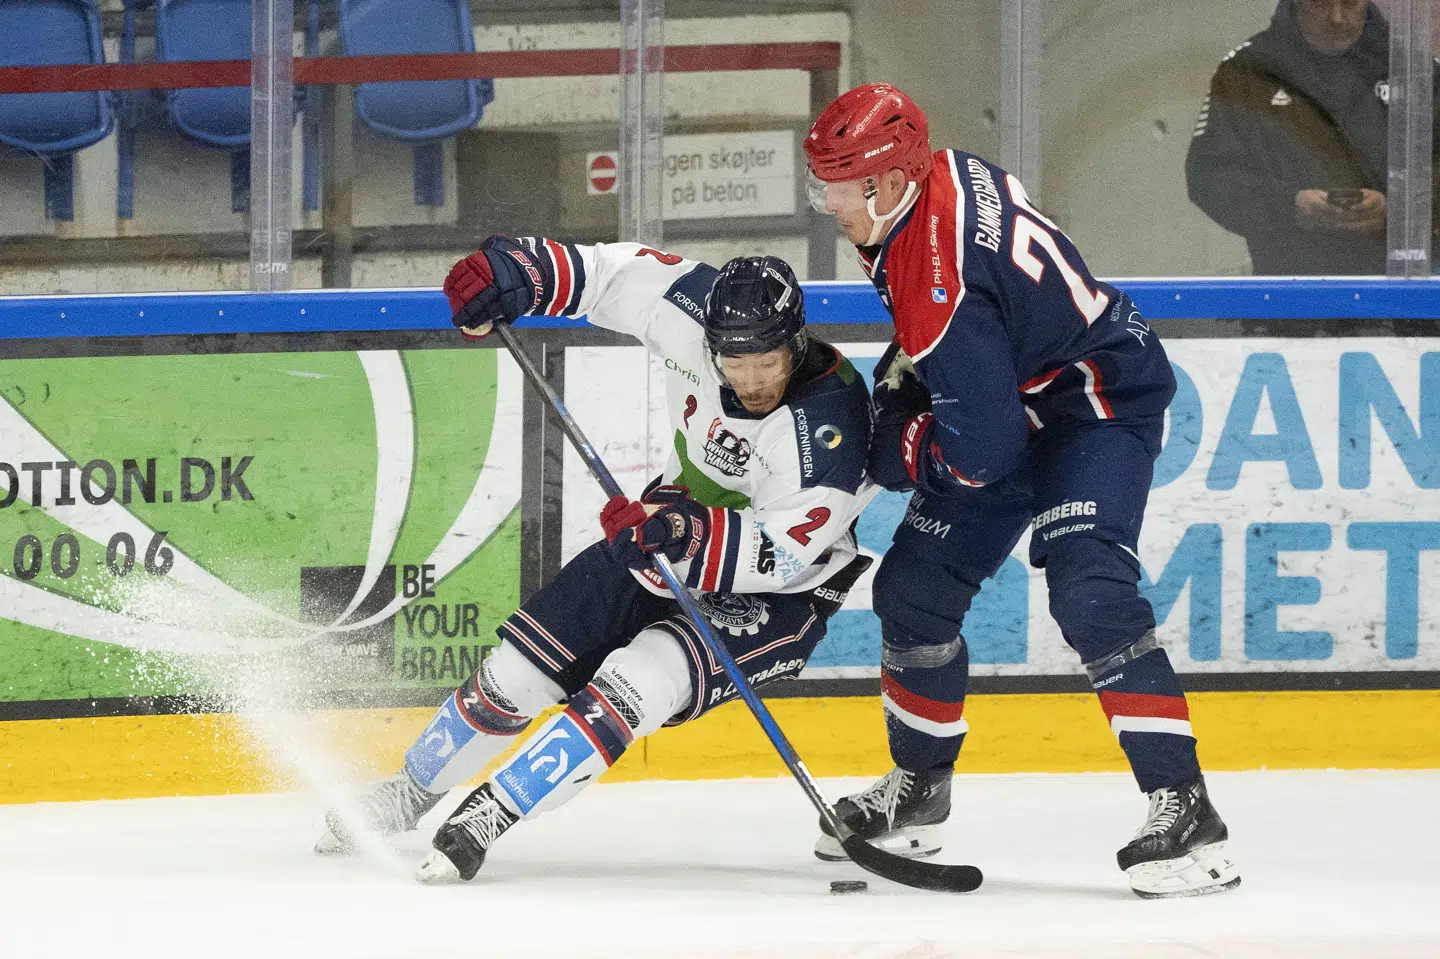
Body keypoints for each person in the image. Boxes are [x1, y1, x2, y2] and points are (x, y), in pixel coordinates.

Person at [315, 239, 875, 882]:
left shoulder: (832, 426)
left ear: (795, 343)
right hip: (660, 536)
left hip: (779, 594)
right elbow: (609, 274)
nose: (749, 380)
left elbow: (781, 554)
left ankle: (487, 816)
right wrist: (521, 273)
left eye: (767, 362)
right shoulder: (690, 306)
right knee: (515, 675)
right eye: (733, 361)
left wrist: (683, 534)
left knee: (632, 686)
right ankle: (410, 790)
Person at [803, 83, 1240, 899]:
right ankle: (920, 790)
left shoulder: (938, 278)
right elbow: (977, 336)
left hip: (1093, 405)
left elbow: (980, 453)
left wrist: (904, 443)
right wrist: (921, 375)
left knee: (1091, 589)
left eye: (838, 183)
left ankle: (1188, 812)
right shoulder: (942, 174)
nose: (826, 201)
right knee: (914, 589)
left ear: (892, 180)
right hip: (1016, 391)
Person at [1186, 0, 1430, 275]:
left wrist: (1395, 208)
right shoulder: (1246, 72)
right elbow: (1209, 176)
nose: (1337, 17)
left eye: (1350, 3)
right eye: (1320, 3)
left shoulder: (1417, 72)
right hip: (1290, 298)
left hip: (1405, 299)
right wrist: (1288, 206)